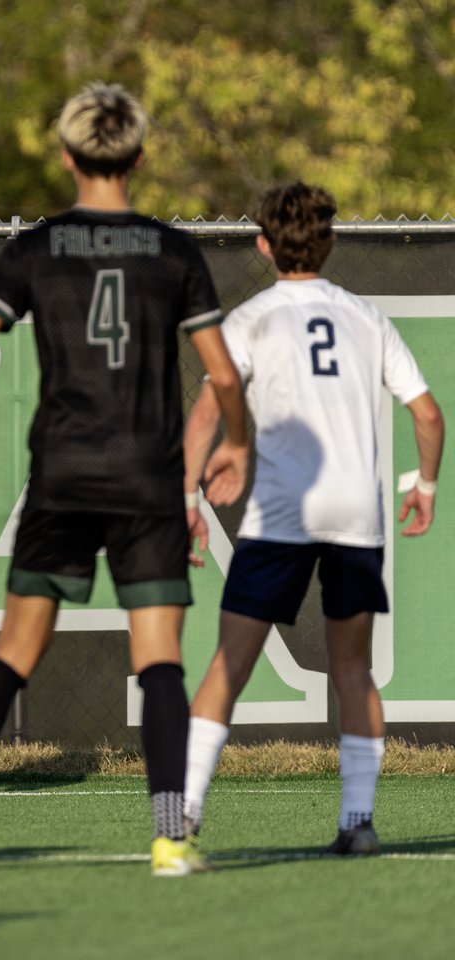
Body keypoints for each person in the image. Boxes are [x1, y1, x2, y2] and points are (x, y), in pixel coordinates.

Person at [0, 81, 250, 877]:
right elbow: (224, 377)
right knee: (159, 658)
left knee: (13, 655)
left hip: (62, 473)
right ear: (140, 154)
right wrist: (234, 440)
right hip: (147, 478)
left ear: (66, 155)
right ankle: (169, 840)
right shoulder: (173, 251)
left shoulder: (34, 248)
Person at [180, 182, 444, 860]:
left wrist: (187, 500)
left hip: (282, 512)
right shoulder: (365, 317)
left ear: (263, 244)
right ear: (329, 242)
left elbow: (208, 414)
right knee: (353, 670)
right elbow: (427, 415)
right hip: (356, 512)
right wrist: (427, 485)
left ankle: (183, 814)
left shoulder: (251, 319)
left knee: (229, 663)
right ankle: (357, 821)